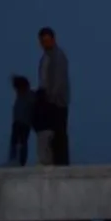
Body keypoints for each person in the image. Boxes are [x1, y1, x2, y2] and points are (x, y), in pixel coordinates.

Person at [38, 27, 72, 165]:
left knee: (59, 134)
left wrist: (51, 97)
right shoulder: (45, 57)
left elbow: (59, 80)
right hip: (48, 101)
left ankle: (61, 162)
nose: (45, 44)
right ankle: (54, 161)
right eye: (42, 41)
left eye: (47, 41)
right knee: (51, 134)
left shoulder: (58, 56)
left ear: (53, 40)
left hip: (57, 102)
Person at [5, 75, 35, 166]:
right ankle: (15, 160)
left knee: (20, 141)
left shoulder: (28, 96)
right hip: (21, 122)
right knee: (17, 141)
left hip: (23, 122)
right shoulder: (24, 96)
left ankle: (19, 160)